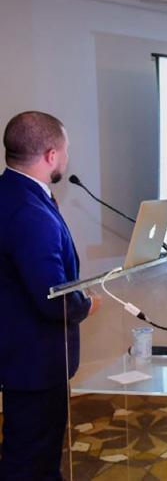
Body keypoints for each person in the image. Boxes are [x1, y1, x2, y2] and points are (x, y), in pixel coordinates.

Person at [0, 111, 100, 480]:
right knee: (32, 459)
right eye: (65, 149)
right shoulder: (30, 212)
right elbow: (52, 298)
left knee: (29, 451)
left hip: (18, 353)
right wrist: (86, 305)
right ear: (51, 155)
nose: (67, 157)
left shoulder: (9, 193)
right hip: (35, 361)